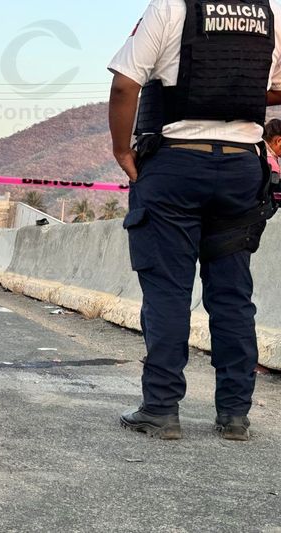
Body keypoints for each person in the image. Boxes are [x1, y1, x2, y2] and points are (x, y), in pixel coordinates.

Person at [108, 0, 281, 441]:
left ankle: (161, 410)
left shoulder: (170, 6)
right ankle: (235, 416)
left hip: (176, 167)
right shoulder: (269, 14)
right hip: (243, 169)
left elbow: (126, 85)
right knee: (232, 295)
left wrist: (121, 150)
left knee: (167, 289)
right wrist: (233, 94)